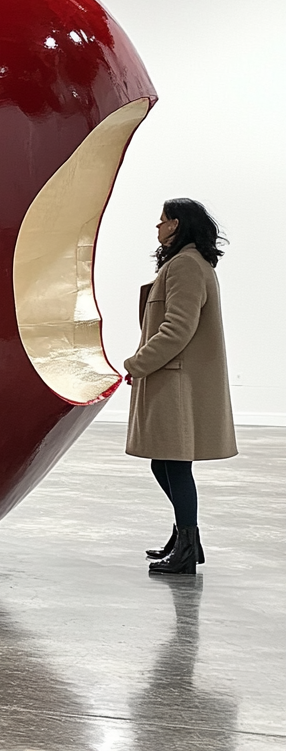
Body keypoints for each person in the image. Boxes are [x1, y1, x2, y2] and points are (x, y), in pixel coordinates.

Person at [124, 198, 237, 575]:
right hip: (173, 378)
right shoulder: (183, 263)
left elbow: (177, 329)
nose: (156, 228)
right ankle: (185, 537)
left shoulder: (187, 265)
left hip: (177, 381)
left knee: (174, 463)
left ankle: (187, 547)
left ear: (175, 224)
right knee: (164, 462)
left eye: (161, 221)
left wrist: (137, 364)